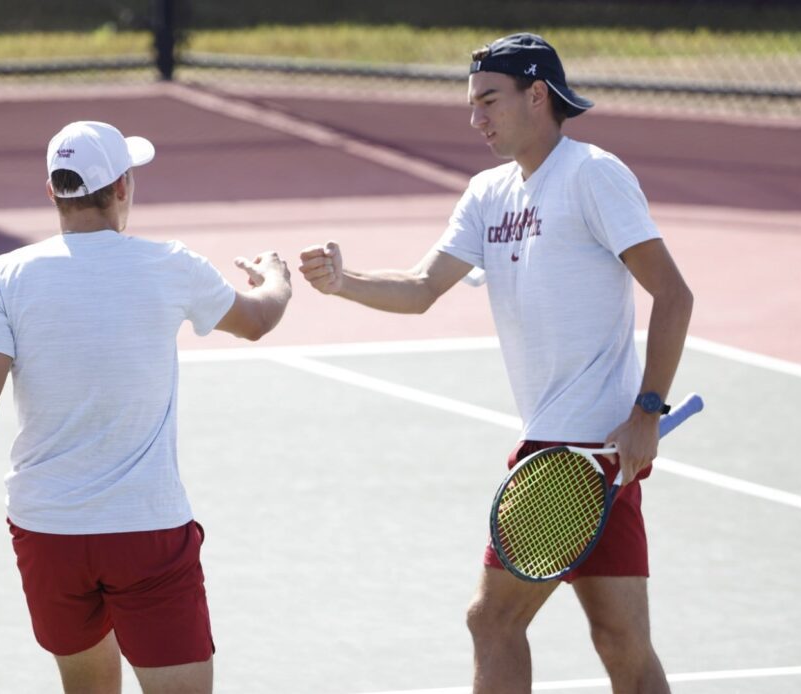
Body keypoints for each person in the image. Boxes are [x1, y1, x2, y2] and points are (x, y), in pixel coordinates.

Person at [298, 33, 692, 693]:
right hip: (585, 459)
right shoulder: (488, 194)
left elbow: (674, 295)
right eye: (471, 102)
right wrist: (345, 281)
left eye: (489, 100)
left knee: (492, 620)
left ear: (537, 96)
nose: (475, 118)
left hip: (575, 447)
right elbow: (423, 289)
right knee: (622, 642)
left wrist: (647, 411)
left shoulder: (593, 174)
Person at [0, 120, 292, 694]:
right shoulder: (172, 264)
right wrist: (276, 278)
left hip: (47, 536)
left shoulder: (2, 276)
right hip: (147, 533)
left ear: (53, 193)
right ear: (122, 187)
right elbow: (258, 319)